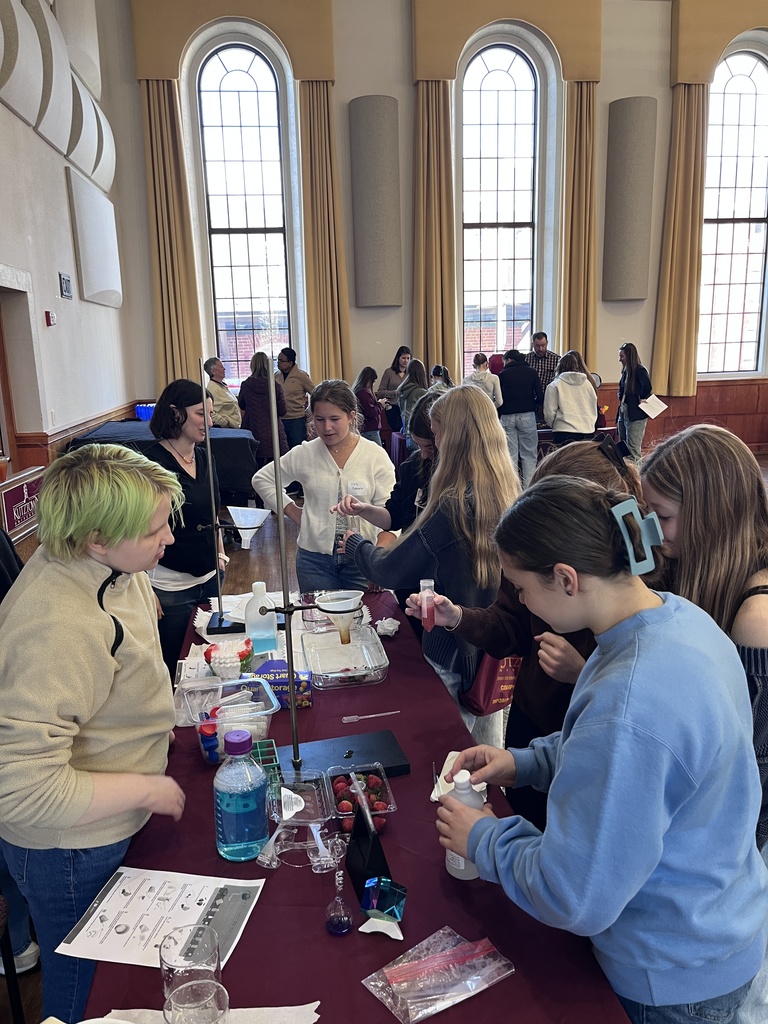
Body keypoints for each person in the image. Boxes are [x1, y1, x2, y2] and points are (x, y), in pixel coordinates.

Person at [437, 475, 768, 1024]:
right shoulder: (681, 620)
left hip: (670, 969)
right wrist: (525, 761)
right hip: (720, 925)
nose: (520, 600)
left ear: (566, 579)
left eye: (521, 586)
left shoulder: (630, 696)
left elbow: (575, 895)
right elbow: (624, 760)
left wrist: (485, 840)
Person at [0, 444, 186, 1023]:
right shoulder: (56, 622)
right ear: (97, 539)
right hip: (69, 849)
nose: (170, 540)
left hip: (104, 818)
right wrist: (147, 789)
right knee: (83, 989)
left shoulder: (113, 566)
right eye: (156, 529)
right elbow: (21, 788)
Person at [406, 434, 644, 829]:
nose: (524, 599)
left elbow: (578, 862)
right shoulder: (545, 570)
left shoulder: (636, 638)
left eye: (524, 589)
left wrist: (584, 672)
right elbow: (510, 624)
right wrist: (459, 617)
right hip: (536, 732)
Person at [641, 424, 768, 1024]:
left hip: (725, 882)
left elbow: (752, 780)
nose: (652, 534)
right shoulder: (697, 577)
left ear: (709, 515)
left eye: (661, 518)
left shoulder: (756, 616)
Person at [343, 385, 520, 746]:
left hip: (452, 648)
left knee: (446, 762)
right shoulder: (507, 491)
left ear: (454, 438)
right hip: (491, 651)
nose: (434, 446)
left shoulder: (453, 505)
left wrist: (356, 546)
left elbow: (390, 570)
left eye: (438, 435)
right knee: (487, 757)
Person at [252, 379, 395, 592]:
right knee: (317, 623)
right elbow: (262, 479)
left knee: (365, 622)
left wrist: (378, 560)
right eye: (319, 419)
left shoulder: (374, 456)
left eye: (334, 419)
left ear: (351, 417)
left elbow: (392, 515)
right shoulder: (306, 453)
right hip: (314, 562)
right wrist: (294, 512)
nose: (326, 427)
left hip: (362, 561)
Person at [333, 391, 439, 634]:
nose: (423, 454)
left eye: (429, 447)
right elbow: (392, 518)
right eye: (417, 445)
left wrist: (363, 549)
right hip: (412, 588)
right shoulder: (413, 466)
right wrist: (364, 509)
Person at [146, 379, 227, 676]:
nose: (209, 421)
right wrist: (145, 587)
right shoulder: (151, 464)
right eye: (200, 413)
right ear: (175, 413)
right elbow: (139, 528)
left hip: (210, 578)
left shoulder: (205, 456)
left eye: (210, 412)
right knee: (176, 666)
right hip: (170, 586)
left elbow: (213, 511)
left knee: (209, 661)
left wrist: (221, 556)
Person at [497, 348, 543, 487]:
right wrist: (531, 405)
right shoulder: (532, 372)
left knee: (510, 456)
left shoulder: (502, 374)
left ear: (509, 360)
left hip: (507, 416)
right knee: (529, 455)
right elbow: (540, 396)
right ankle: (528, 491)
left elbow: (499, 399)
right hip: (527, 415)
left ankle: (511, 491)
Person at [238, 351, 289, 468]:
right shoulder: (275, 385)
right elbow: (282, 411)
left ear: (253, 365)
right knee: (276, 468)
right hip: (273, 431)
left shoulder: (246, 385)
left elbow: (242, 405)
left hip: (253, 429)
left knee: (255, 466)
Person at [543, 350, 598, 446]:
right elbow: (593, 407)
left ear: (559, 366)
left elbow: (549, 413)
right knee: (585, 461)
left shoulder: (554, 385)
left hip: (563, 431)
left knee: (566, 461)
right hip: (587, 430)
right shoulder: (588, 384)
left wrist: (556, 425)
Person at [617, 341, 652, 462]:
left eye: (622, 356)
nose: (620, 359)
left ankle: (635, 477)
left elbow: (647, 386)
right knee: (622, 446)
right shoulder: (626, 370)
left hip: (635, 413)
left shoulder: (640, 370)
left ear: (629, 356)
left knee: (633, 449)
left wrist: (642, 397)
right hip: (624, 410)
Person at [275, 347, 314, 450]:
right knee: (282, 450)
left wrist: (310, 411)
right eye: (277, 360)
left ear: (290, 363)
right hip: (280, 419)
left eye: (281, 360)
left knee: (297, 449)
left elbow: (315, 393)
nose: (278, 363)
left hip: (296, 420)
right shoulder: (275, 376)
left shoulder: (301, 376)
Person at [526, 331, 559, 424]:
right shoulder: (526, 359)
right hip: (531, 400)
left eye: (543, 345)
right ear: (532, 344)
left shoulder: (556, 359)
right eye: (537, 346)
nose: (541, 349)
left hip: (549, 399)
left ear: (547, 343)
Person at [376, 345, 411, 432]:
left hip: (407, 408)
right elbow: (380, 392)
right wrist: (394, 392)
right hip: (392, 407)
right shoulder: (389, 372)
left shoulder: (410, 374)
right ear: (398, 358)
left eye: (408, 358)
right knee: (396, 430)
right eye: (403, 358)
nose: (406, 361)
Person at [397, 358, 429, 451]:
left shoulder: (402, 389)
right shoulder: (421, 392)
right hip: (419, 437)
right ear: (422, 373)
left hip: (407, 434)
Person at [203, 356, 242, 428]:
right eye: (221, 367)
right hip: (227, 429)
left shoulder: (222, 386)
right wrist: (225, 423)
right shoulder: (212, 389)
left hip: (235, 427)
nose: (224, 369)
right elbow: (211, 412)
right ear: (213, 371)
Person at [352, 365, 385, 444]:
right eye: (372, 382)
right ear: (368, 380)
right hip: (370, 430)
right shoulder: (364, 393)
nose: (373, 385)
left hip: (366, 429)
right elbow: (371, 412)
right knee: (378, 454)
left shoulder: (359, 391)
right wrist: (380, 404)